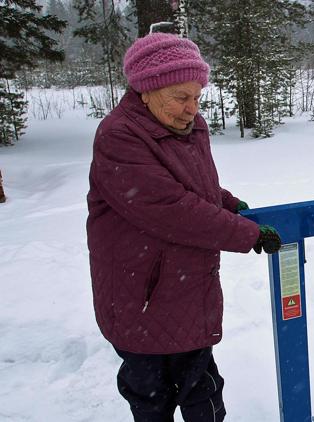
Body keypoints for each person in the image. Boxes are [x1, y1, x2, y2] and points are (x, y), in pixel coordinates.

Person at [86, 32, 281, 422]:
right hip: (141, 295)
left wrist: (230, 203)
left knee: (202, 391)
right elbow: (168, 206)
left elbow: (193, 186)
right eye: (180, 97)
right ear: (146, 90)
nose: (191, 108)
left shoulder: (187, 125)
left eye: (197, 96)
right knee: (150, 396)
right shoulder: (119, 136)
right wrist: (245, 234)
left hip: (188, 288)